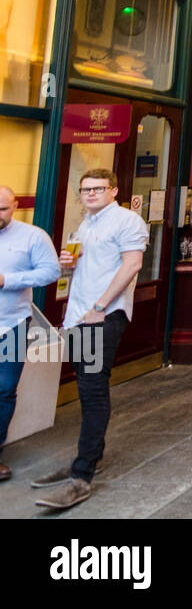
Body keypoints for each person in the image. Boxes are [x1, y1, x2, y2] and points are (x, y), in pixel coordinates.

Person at [32, 170, 148, 511]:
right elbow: (84, 270)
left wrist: (100, 307)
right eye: (85, 189)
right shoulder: (86, 224)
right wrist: (68, 264)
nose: (91, 194)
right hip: (79, 317)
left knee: (94, 390)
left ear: (114, 190)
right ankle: (88, 456)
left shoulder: (127, 221)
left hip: (102, 318)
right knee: (86, 387)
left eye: (98, 188)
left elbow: (132, 265)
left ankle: (81, 477)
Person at [0, 185, 59, 484]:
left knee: (4, 388)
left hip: (12, 324)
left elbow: (50, 272)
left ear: (15, 205)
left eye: (2, 209)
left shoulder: (33, 236)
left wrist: (7, 280)